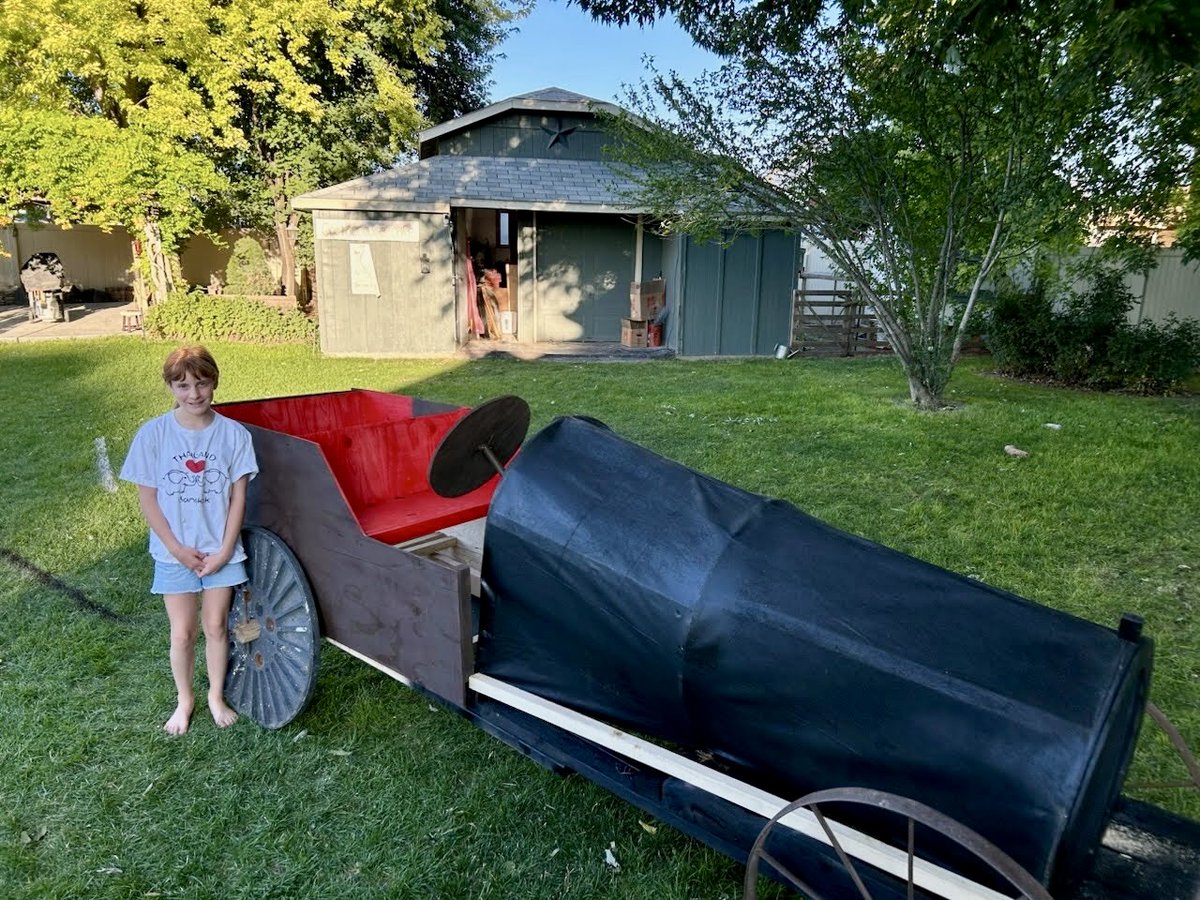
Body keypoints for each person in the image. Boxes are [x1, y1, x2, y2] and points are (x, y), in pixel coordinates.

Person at [120, 346, 258, 734]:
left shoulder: (234, 435)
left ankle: (216, 694)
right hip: (173, 553)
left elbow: (239, 498)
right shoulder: (153, 435)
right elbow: (148, 499)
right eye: (182, 385)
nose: (194, 394)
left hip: (221, 552)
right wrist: (177, 550)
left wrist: (226, 550)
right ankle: (185, 699)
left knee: (215, 626)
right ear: (170, 387)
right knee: (182, 632)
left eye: (201, 383)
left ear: (214, 382)